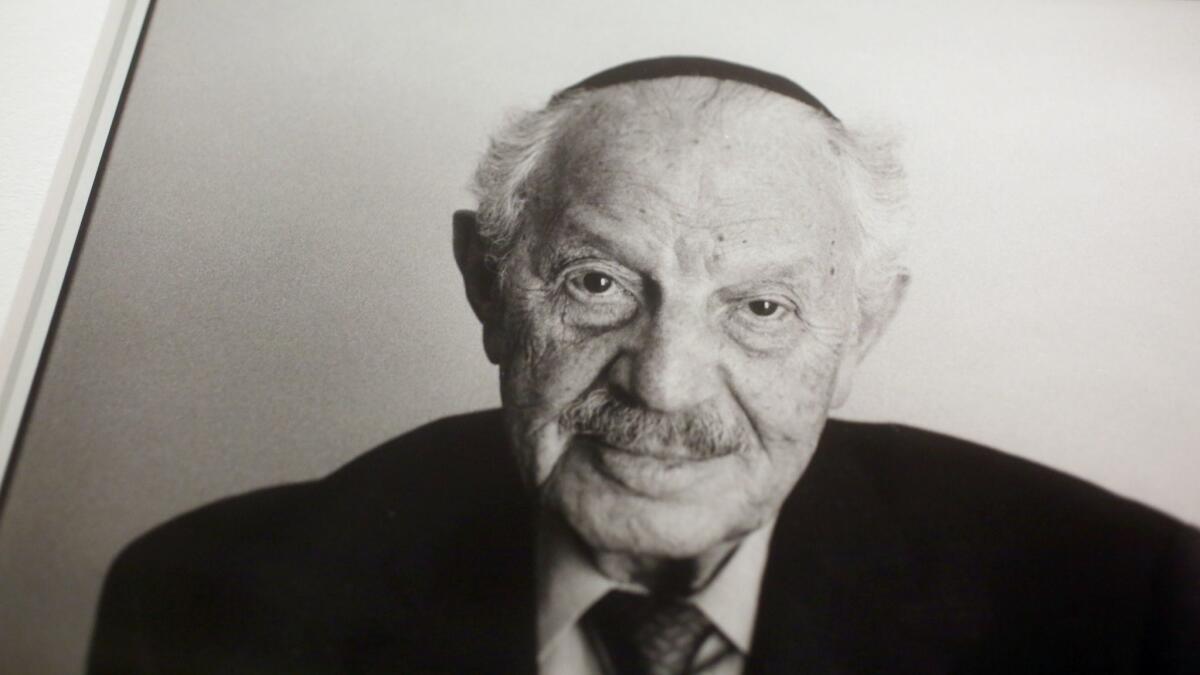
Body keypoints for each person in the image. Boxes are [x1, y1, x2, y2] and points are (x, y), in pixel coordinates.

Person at [88, 57, 1199, 674]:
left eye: (761, 307)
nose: (663, 384)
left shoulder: (1132, 613)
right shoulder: (210, 606)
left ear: (859, 333)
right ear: (488, 284)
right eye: (598, 285)